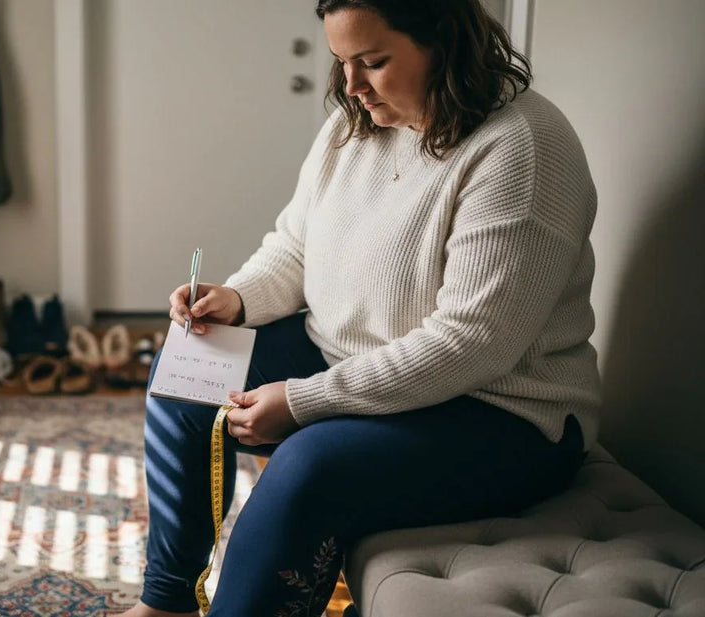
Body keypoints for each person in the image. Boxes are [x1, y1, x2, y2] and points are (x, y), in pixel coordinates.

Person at [119, 0, 602, 616]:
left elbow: (470, 344)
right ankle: (168, 602)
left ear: (445, 44)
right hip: (348, 357)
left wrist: (302, 401)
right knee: (186, 374)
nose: (350, 86)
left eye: (373, 62)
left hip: (499, 413)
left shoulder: (523, 149)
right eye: (342, 62)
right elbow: (296, 244)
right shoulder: (357, 123)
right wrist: (236, 300)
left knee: (307, 466)